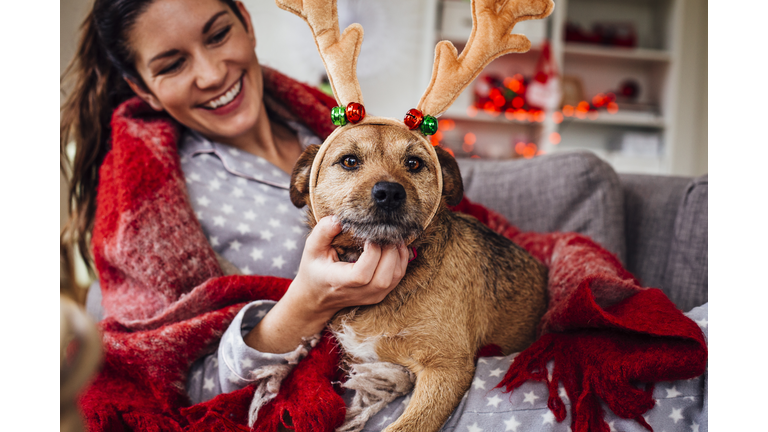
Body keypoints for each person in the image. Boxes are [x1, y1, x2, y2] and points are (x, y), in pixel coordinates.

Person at [61, 0, 707, 431]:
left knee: (699, 349)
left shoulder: (328, 117)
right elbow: (177, 382)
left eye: (218, 33)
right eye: (172, 64)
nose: (211, 72)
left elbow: (453, 219)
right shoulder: (147, 206)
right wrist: (305, 303)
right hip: (345, 388)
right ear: (145, 88)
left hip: (450, 336)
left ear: (247, 25)